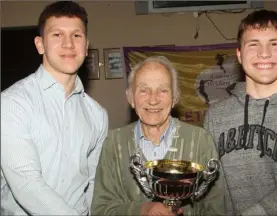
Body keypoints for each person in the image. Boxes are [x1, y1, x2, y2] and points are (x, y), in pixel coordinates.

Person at [204, 9, 277, 216]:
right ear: (239, 54)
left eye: (275, 44)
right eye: (253, 44)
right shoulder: (215, 115)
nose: (264, 53)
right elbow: (210, 184)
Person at [1, 1, 108, 215]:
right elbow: (26, 185)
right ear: (40, 45)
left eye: (76, 36)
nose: (68, 44)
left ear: (86, 46)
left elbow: (94, 183)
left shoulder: (97, 115)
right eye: (57, 35)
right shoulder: (12, 103)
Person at [91, 56, 225, 216]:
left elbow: (215, 208)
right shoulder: (113, 142)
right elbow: (101, 209)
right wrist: (141, 210)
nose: (153, 100)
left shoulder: (200, 140)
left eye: (162, 90)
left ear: (174, 97)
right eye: (143, 90)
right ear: (130, 98)